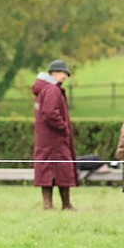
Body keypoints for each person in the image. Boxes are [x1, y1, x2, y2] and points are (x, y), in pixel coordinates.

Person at [33, 59, 78, 211]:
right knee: (63, 169)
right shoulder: (52, 90)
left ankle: (48, 204)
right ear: (55, 72)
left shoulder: (44, 89)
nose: (65, 76)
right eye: (64, 73)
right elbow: (50, 113)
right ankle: (66, 204)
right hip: (55, 140)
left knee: (46, 170)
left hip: (45, 139)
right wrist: (64, 127)